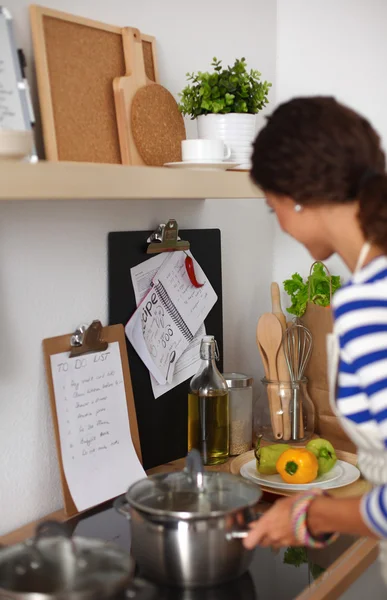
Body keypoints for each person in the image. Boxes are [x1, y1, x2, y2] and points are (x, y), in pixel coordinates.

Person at [244, 96, 387, 584]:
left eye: (272, 207)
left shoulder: (371, 306)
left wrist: (311, 516)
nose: (280, 222)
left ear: (298, 196)